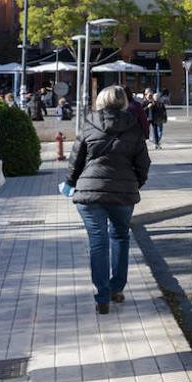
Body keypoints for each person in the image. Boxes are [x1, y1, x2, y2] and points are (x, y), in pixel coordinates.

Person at [64, 85, 150, 314]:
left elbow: (75, 160)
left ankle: (102, 297)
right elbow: (144, 164)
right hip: (123, 194)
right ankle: (116, 289)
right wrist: (134, 183)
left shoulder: (89, 124)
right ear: (123, 103)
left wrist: (70, 183)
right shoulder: (134, 128)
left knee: (98, 242)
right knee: (120, 237)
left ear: (100, 102)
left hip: (90, 193)